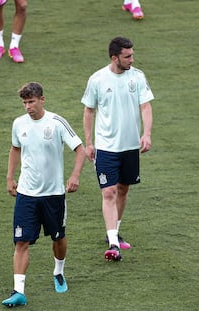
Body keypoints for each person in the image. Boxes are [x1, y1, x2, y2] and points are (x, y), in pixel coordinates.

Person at [2, 82, 86, 307]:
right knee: (21, 242)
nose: (28, 107)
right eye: (24, 102)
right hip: (26, 194)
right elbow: (15, 148)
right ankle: (18, 290)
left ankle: (58, 271)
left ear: (42, 99)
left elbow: (80, 149)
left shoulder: (56, 123)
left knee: (58, 237)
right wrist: (10, 177)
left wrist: (75, 175)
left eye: (31, 102)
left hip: (53, 195)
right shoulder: (19, 124)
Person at [81, 37, 154, 261]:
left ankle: (114, 232)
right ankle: (113, 243)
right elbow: (89, 111)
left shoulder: (137, 76)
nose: (132, 59)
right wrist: (89, 142)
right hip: (106, 148)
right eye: (127, 56)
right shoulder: (98, 79)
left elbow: (145, 106)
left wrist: (147, 133)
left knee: (123, 189)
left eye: (132, 55)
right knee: (109, 192)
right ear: (115, 58)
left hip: (130, 146)